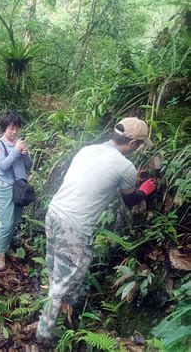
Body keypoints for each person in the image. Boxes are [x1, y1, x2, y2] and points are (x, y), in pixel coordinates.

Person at [36, 117, 157, 345]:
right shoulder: (125, 166)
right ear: (132, 143)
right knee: (66, 280)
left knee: (56, 271)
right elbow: (131, 200)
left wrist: (131, 180)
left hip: (54, 213)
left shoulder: (88, 150)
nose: (138, 149)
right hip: (75, 226)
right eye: (139, 145)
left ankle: (64, 313)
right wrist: (145, 189)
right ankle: (44, 334)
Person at [0, 110, 33, 271]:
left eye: (16, 128)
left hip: (19, 188)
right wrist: (16, 151)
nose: (14, 131)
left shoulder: (19, 143)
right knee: (6, 223)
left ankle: (6, 247)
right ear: (4, 128)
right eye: (10, 128)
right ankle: (0, 255)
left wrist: (24, 154)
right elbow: (2, 166)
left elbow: (29, 165)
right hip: (4, 187)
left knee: (15, 221)